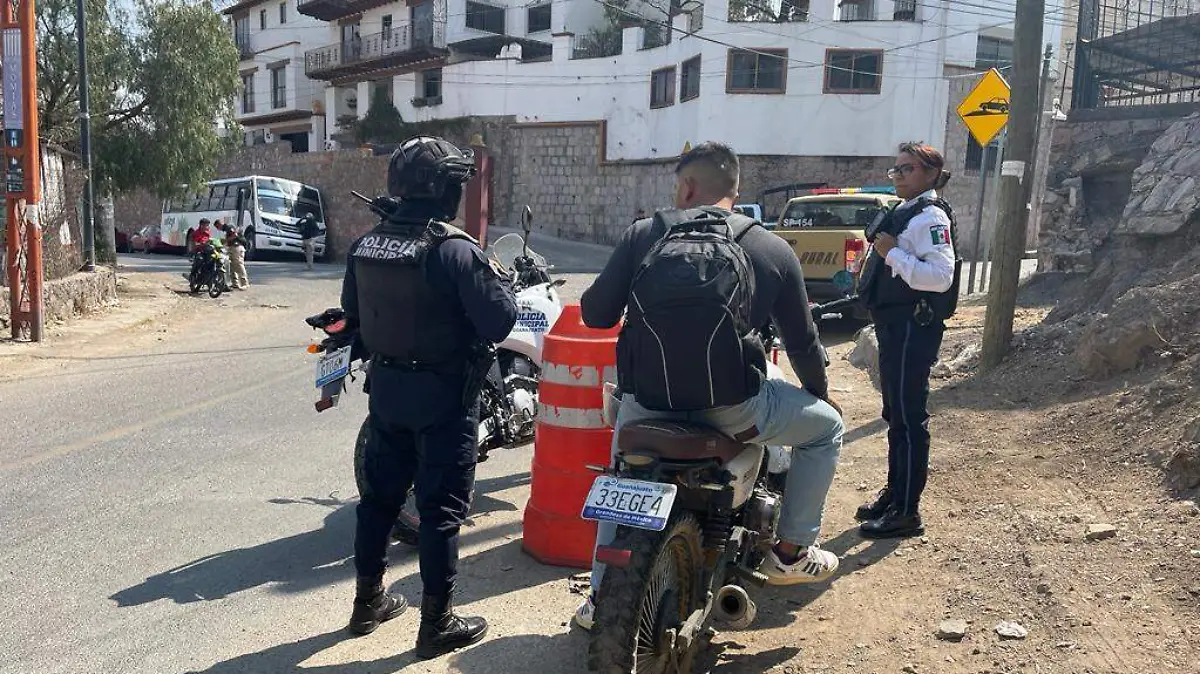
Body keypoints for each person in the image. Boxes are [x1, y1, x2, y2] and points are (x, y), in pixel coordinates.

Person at [574, 141, 845, 628]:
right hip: (733, 408)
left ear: (687, 186)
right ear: (735, 191)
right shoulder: (771, 247)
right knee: (826, 430)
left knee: (624, 476)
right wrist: (818, 394)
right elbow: (802, 343)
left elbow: (595, 314)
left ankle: (598, 599)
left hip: (645, 403)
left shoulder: (644, 235)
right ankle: (789, 550)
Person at [340, 135, 517, 658]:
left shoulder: (367, 244)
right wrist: (497, 279)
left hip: (388, 393)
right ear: (443, 190)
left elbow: (353, 311)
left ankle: (367, 600)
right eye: (458, 184)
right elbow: (500, 320)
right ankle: (436, 622)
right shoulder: (455, 249)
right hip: (444, 400)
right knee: (441, 512)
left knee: (378, 501)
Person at [854, 142, 958, 539]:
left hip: (914, 327)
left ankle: (907, 511)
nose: (898, 176)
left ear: (931, 174)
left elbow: (940, 277)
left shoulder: (930, 215)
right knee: (895, 414)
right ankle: (894, 495)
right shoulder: (905, 209)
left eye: (907, 169)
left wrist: (893, 253)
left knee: (910, 418)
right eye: (895, 170)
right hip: (894, 326)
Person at [222, 221, 250, 290]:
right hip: (232, 248)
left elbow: (235, 235)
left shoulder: (229, 227)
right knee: (231, 266)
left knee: (239, 265)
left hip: (237, 247)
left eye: (217, 227)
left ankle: (244, 283)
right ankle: (235, 284)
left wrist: (225, 240)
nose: (218, 229)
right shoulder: (228, 229)